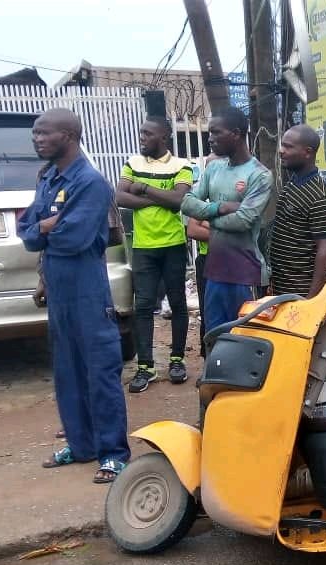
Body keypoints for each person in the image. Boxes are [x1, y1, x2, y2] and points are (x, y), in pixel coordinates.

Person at [18, 108, 130, 484]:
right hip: (60, 293)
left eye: (44, 133)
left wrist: (47, 229)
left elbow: (74, 238)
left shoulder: (90, 183)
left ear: (68, 135)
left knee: (100, 372)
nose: (37, 140)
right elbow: (27, 232)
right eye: (35, 134)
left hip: (87, 293)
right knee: (68, 372)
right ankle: (81, 446)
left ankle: (113, 453)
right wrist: (46, 226)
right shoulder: (49, 178)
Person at [115, 116, 194, 393]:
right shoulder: (132, 163)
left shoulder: (181, 165)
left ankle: (177, 360)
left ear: (163, 137)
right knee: (144, 306)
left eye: (147, 134)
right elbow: (121, 198)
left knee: (178, 303)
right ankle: (145, 366)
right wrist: (160, 197)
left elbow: (178, 200)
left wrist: (144, 188)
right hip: (144, 247)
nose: (142, 138)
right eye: (141, 133)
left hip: (173, 244)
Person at [180, 107, 272, 335]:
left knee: (245, 340)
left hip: (245, 274)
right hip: (215, 273)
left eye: (215, 132)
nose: (210, 138)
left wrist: (206, 219)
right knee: (214, 337)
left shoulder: (259, 174)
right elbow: (187, 203)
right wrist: (219, 207)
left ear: (237, 133)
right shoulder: (213, 169)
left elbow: (243, 221)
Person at [265, 124, 326, 297]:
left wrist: (311, 300)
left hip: (301, 293)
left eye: (288, 146)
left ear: (307, 152)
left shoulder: (320, 195)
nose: (281, 151)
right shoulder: (293, 184)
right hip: (283, 289)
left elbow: (324, 249)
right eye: (282, 145)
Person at [186, 154, 219, 358]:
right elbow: (192, 230)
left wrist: (207, 224)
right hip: (208, 262)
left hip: (235, 262)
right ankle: (209, 359)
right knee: (208, 313)